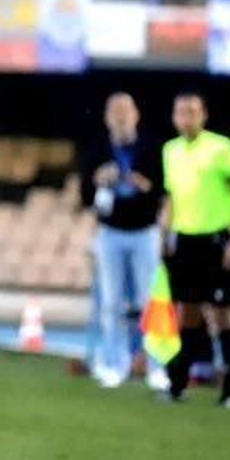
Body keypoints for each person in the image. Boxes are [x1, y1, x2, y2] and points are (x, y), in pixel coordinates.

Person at [160, 92, 230, 407]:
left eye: (192, 111)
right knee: (187, 315)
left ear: (204, 115)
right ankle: (178, 384)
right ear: (174, 116)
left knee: (222, 316)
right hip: (185, 241)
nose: (186, 117)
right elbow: (171, 198)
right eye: (181, 111)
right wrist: (164, 233)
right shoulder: (170, 151)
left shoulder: (220, 148)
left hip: (216, 240)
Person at [81, 93, 163, 388]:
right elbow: (85, 196)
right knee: (111, 302)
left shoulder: (151, 147)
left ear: (136, 115)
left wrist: (143, 185)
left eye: (125, 111)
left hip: (144, 231)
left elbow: (162, 191)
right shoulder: (97, 149)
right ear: (106, 117)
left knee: (149, 301)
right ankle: (114, 364)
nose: (120, 117)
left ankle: (156, 368)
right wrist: (98, 181)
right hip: (110, 231)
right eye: (114, 112)